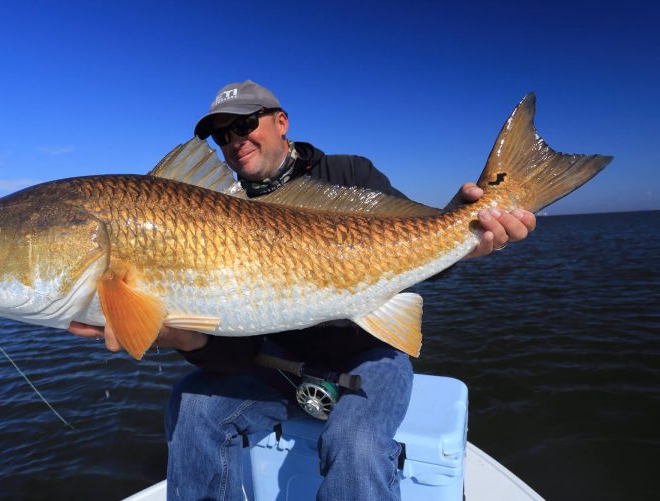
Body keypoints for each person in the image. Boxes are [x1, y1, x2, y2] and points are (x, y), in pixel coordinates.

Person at [69, 80, 536, 500]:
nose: (235, 141)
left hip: (369, 354)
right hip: (273, 359)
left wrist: (464, 235)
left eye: (245, 124)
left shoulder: (349, 174)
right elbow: (237, 350)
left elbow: (417, 247)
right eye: (221, 135)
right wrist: (182, 338)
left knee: (356, 445)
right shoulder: (211, 210)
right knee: (191, 406)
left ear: (280, 122)